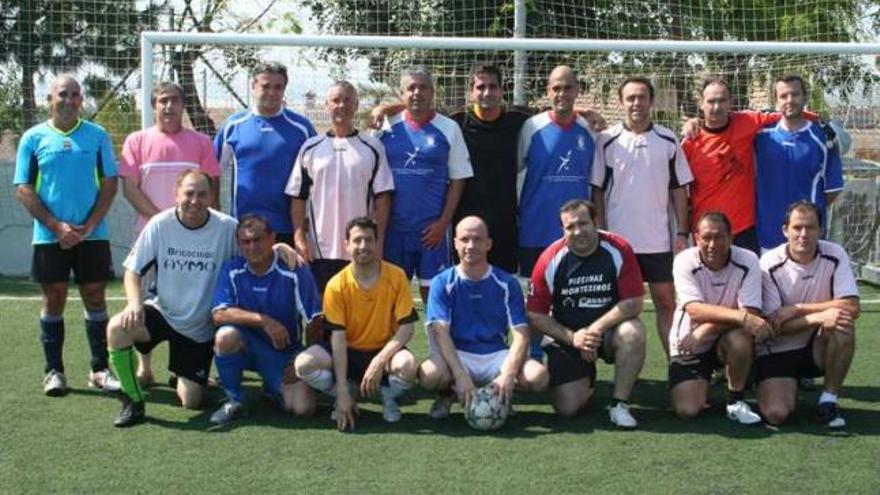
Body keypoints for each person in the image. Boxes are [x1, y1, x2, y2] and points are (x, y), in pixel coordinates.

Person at [13, 75, 120, 396]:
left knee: (95, 296)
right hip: (49, 236)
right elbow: (23, 187)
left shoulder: (98, 136)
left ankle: (100, 370)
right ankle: (54, 372)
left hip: (93, 234)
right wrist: (56, 226)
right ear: (50, 99)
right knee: (54, 297)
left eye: (76, 94)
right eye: (63, 94)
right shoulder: (33, 138)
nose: (70, 99)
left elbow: (110, 184)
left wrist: (87, 226)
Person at [106, 170, 238, 427]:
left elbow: (253, 251)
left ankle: (182, 375)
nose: (195, 200)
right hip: (162, 311)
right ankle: (132, 400)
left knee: (192, 401)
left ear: (211, 196)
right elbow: (132, 271)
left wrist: (279, 247)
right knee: (117, 328)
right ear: (176, 194)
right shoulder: (160, 224)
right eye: (189, 193)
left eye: (202, 194)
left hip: (198, 328)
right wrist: (134, 304)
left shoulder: (227, 228)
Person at [118, 81, 221, 387]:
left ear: (182, 105)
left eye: (174, 100)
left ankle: (184, 366)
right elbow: (130, 188)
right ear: (154, 105)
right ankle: (144, 366)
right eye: (162, 100)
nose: (168, 106)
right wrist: (164, 222)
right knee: (149, 306)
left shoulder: (201, 143)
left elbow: (212, 187)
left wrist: (186, 224)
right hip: (151, 237)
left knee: (192, 302)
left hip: (193, 240)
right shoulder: (136, 141)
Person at [591, 77, 692, 357]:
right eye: (631, 98)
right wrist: (602, 233)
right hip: (618, 243)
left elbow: (678, 190)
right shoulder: (606, 141)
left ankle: (678, 363)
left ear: (651, 100)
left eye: (642, 97)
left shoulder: (668, 139)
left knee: (666, 302)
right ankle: (616, 358)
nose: (636, 103)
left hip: (657, 241)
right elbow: (597, 191)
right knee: (615, 305)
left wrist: (682, 233)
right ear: (622, 102)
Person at [527, 200, 646, 427]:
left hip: (608, 332)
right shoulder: (549, 259)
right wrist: (574, 338)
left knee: (633, 331)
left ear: (595, 222)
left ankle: (619, 404)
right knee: (567, 408)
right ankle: (585, 378)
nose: (578, 231)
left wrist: (594, 330)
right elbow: (535, 314)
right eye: (570, 227)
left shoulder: (618, 248)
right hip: (567, 336)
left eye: (583, 223)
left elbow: (634, 302)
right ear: (563, 230)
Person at [294, 217, 418, 431]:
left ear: (377, 243)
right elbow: (338, 339)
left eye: (369, 240)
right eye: (357, 240)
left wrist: (379, 361)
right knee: (303, 364)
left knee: (407, 365)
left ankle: (385, 395)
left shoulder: (396, 276)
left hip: (383, 351)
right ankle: (347, 394)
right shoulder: (337, 285)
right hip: (348, 352)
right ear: (347, 245)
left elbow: (407, 327)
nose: (363, 246)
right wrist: (341, 389)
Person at [420, 216, 549, 419]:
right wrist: (460, 374)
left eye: (478, 239)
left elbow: (522, 334)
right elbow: (440, 333)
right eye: (464, 239)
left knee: (538, 377)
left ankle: (502, 395)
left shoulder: (507, 282)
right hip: (458, 353)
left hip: (496, 354)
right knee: (430, 375)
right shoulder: (442, 282)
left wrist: (508, 374)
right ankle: (447, 394)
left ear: (488, 244)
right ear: (455, 243)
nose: (471, 245)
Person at [209, 214, 322, 424]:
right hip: (246, 346)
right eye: (246, 242)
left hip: (282, 353)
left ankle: (273, 387)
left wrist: (304, 359)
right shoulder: (232, 269)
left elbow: (315, 320)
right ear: (239, 244)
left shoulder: (293, 270)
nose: (252, 247)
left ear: (272, 239)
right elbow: (219, 314)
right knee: (225, 336)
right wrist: (264, 321)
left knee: (303, 409)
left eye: (258, 239)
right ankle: (235, 400)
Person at [757, 201, 859, 428]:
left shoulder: (835, 253)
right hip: (778, 349)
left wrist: (799, 308)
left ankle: (828, 401)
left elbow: (852, 306)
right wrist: (818, 317)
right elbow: (772, 326)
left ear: (821, 230)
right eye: (797, 227)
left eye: (810, 227)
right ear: (785, 230)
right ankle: (766, 383)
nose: (803, 234)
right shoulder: (768, 264)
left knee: (842, 323)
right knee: (776, 414)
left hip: (816, 346)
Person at [286, 81, 394, 293]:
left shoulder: (372, 147)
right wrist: (299, 239)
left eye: (347, 100)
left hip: (360, 249)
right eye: (336, 100)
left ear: (356, 105)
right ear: (326, 105)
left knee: (358, 318)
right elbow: (297, 197)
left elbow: (383, 199)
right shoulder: (310, 147)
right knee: (321, 318)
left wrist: (378, 241)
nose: (341, 106)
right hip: (319, 251)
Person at [378, 66, 473, 303]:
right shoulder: (385, 128)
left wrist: (443, 223)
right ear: (401, 94)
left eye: (423, 87)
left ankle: (438, 342)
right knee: (391, 296)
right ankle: (394, 342)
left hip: (432, 231)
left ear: (432, 92)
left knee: (434, 296)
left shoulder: (449, 128)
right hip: (394, 231)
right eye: (411, 88)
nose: (417, 93)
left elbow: (459, 179)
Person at [668, 211, 770, 425]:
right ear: (697, 238)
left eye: (719, 237)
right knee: (688, 410)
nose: (712, 244)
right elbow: (694, 309)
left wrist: (706, 328)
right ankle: (704, 384)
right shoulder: (684, 260)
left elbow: (750, 313)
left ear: (731, 238)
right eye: (706, 238)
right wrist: (739, 317)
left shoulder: (749, 259)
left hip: (723, 337)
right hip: (689, 342)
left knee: (741, 338)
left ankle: (736, 400)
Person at [214, 62, 317, 243]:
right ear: (253, 86)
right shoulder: (233, 125)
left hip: (288, 228)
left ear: (284, 89)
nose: (271, 92)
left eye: (278, 87)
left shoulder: (301, 128)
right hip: (244, 228)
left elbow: (317, 176)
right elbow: (212, 173)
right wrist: (214, 212)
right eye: (265, 86)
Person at [681, 78, 783, 254]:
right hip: (706, 230)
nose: (716, 107)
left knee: (747, 280)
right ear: (701, 104)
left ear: (731, 102)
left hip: (743, 228)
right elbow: (678, 188)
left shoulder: (747, 121)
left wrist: (821, 121)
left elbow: (788, 113)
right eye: (711, 101)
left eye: (722, 100)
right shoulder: (690, 143)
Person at [517, 65, 596, 278]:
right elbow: (517, 170)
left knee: (575, 296)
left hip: (577, 231)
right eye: (556, 88)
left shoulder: (590, 129)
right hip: (535, 229)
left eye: (568, 87)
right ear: (548, 90)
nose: (562, 94)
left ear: (577, 90)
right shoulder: (532, 127)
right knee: (533, 298)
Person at [754, 75, 844, 252]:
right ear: (776, 101)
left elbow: (832, 190)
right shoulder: (760, 135)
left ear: (805, 97)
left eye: (795, 94)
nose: (789, 100)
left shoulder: (824, 138)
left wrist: (808, 212)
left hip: (807, 235)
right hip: (767, 233)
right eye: (783, 96)